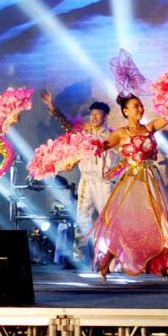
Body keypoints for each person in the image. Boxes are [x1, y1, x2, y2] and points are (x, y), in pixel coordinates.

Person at [90, 88, 168, 278]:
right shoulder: (121, 133)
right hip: (132, 183)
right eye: (135, 106)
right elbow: (98, 148)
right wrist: (71, 156)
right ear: (125, 111)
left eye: (140, 105)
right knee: (126, 223)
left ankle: (165, 264)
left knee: (160, 221)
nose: (140, 109)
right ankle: (107, 260)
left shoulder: (149, 128)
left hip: (150, 180)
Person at [42, 90, 116, 247]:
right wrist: (52, 107)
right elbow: (67, 126)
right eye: (92, 114)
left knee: (107, 217)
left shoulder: (113, 135)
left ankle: (108, 254)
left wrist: (116, 172)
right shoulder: (84, 133)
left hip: (104, 182)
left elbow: (127, 156)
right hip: (86, 180)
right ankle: (81, 253)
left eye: (97, 114)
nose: (93, 117)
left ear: (106, 116)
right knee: (82, 217)